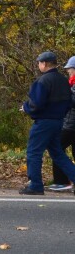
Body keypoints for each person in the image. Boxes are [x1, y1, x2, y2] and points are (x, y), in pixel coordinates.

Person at [19, 51, 75, 195]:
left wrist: (26, 108)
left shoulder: (43, 81)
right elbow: (69, 103)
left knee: (34, 152)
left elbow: (36, 103)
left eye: (39, 62)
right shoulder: (63, 81)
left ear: (44, 63)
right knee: (58, 153)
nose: (39, 65)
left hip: (44, 122)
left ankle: (35, 185)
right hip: (59, 122)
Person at [49, 56, 75, 191]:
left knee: (56, 148)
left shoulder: (72, 85)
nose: (68, 71)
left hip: (70, 125)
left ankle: (62, 181)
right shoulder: (71, 83)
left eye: (70, 69)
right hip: (70, 123)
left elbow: (71, 101)